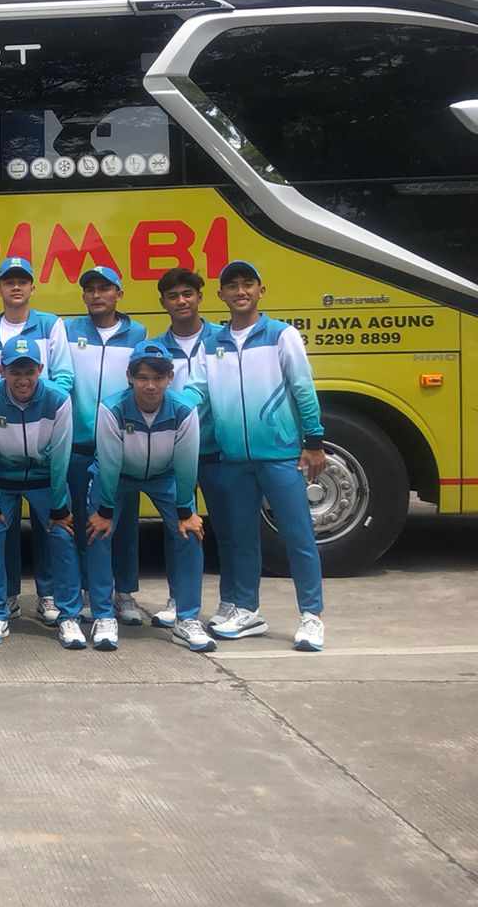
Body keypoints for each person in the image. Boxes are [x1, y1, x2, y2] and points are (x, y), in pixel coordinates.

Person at [200, 261, 327, 651]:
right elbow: (197, 391)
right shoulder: (212, 343)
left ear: (260, 290)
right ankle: (247, 610)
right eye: (232, 286)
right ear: (221, 295)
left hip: (280, 455)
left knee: (297, 535)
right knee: (240, 539)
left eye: (247, 284)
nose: (240, 291)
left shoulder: (281, 335)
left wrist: (314, 440)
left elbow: (302, 387)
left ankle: (311, 616)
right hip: (234, 458)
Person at [86, 341, 217, 653]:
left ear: (170, 377)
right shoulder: (112, 408)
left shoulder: (184, 409)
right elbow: (110, 462)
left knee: (190, 532)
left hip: (165, 475)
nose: (150, 386)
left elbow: (186, 463)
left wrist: (185, 511)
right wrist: (105, 510)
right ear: (130, 377)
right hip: (118, 476)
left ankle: (186, 619)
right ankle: (103, 615)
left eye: (158, 378)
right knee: (97, 531)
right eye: (143, 377)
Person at [0, 258, 75, 626]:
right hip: (2, 439)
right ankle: (8, 597)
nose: (16, 287)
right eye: (8, 281)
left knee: (54, 529)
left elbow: (64, 376)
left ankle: (48, 595)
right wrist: (5, 403)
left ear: (33, 286)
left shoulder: (51, 324)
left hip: (40, 435)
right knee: (1, 529)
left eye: (22, 280)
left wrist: (38, 406)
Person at [0, 337, 84, 650]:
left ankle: (69, 616)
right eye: (15, 371)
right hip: (4, 480)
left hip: (44, 479)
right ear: (1, 370)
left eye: (29, 372)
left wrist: (59, 507)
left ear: (40, 369)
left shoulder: (58, 398)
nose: (23, 379)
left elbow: (61, 456)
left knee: (62, 536)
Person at [64, 266, 148, 624]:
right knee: (83, 523)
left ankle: (124, 593)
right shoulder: (68, 330)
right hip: (79, 444)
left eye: (105, 288)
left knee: (124, 523)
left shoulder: (137, 333)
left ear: (119, 294)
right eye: (91, 289)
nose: (97, 295)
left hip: (122, 445)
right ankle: (88, 590)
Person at [153, 267, 234, 628]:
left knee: (228, 529)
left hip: (216, 450)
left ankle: (232, 602)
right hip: (174, 453)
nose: (181, 301)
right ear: (163, 303)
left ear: (200, 297)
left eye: (188, 293)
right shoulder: (156, 348)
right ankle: (178, 598)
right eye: (173, 296)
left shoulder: (222, 339)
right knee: (179, 529)